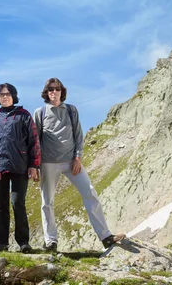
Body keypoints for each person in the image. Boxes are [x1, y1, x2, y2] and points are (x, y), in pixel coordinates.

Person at [34, 78, 125, 252]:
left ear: (62, 91)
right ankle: (50, 241)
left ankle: (105, 236)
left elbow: (78, 134)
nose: (54, 92)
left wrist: (78, 157)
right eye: (51, 89)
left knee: (90, 192)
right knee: (47, 202)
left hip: (71, 162)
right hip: (48, 163)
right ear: (46, 92)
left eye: (57, 89)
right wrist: (35, 165)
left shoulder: (71, 110)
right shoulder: (40, 113)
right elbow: (36, 140)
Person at [0, 83, 41, 253]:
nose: (4, 97)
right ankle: (3, 243)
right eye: (1, 95)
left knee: (18, 203)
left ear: (14, 96)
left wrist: (34, 165)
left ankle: (23, 242)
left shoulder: (24, 115)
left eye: (7, 94)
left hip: (20, 167)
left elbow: (33, 141)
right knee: (1, 206)